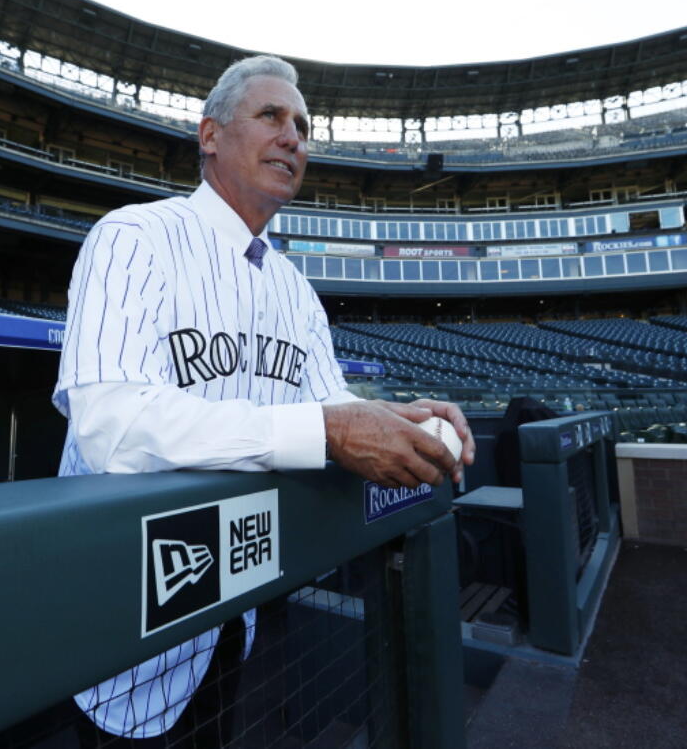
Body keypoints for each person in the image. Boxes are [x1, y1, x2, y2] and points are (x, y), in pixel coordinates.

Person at [52, 54, 475, 746]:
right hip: (120, 612)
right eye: (272, 116)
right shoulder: (135, 237)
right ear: (210, 134)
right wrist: (328, 431)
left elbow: (331, 406)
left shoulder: (295, 289)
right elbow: (111, 426)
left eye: (304, 127)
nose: (294, 138)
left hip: (234, 607)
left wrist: (400, 417)